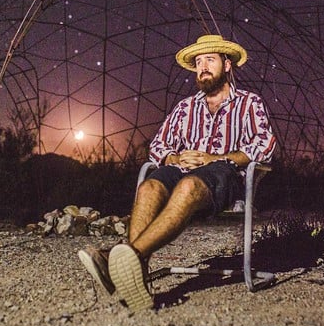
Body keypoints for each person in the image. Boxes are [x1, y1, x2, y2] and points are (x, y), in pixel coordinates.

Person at [78, 34, 276, 311]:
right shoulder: (185, 108)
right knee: (149, 186)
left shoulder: (249, 103)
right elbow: (158, 144)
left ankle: (120, 257)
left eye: (210, 60)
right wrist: (173, 156)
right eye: (198, 62)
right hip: (182, 168)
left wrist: (214, 157)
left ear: (227, 65)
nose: (203, 67)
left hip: (225, 174)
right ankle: (136, 276)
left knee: (189, 187)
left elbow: (264, 145)